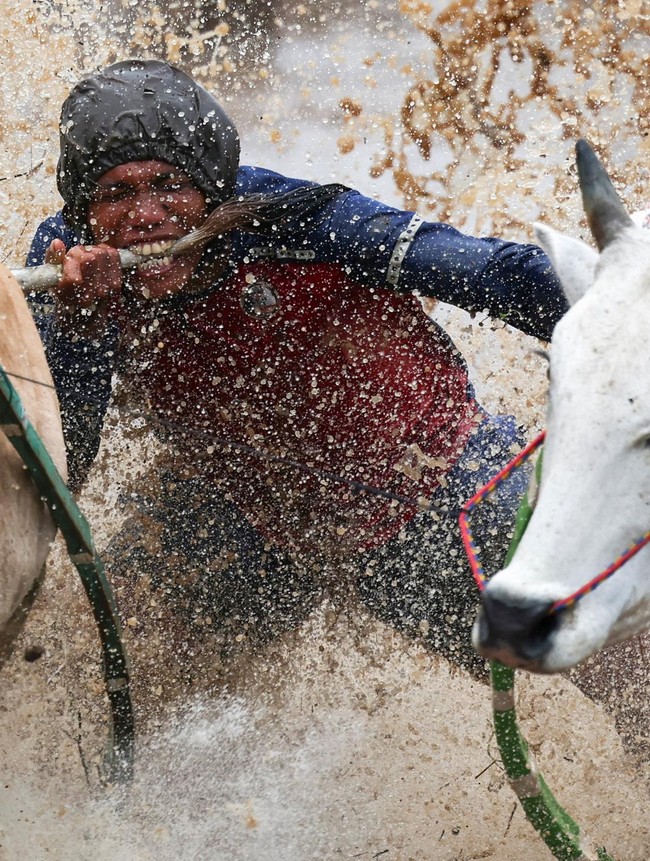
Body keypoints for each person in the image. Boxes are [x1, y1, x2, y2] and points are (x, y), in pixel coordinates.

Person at [27, 59, 568, 678]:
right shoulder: (67, 269)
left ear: (213, 186)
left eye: (168, 184)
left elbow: (497, 274)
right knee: (110, 663)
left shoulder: (307, 220)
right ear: (81, 210)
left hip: (436, 490)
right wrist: (79, 328)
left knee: (607, 663)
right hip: (243, 525)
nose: (144, 214)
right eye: (116, 194)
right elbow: (57, 462)